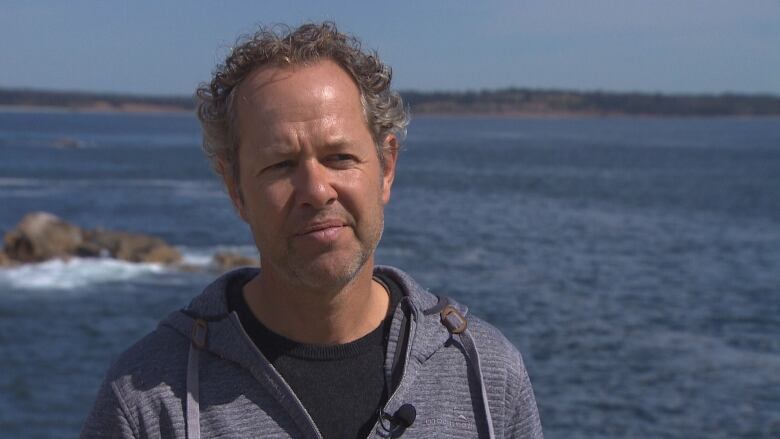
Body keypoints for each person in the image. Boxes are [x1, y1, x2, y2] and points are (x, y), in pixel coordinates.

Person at [81, 22, 543, 439]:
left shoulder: (485, 375)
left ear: (386, 167)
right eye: (281, 165)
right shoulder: (150, 399)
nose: (316, 190)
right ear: (235, 188)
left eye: (340, 157)